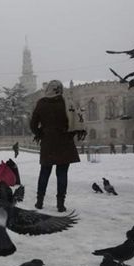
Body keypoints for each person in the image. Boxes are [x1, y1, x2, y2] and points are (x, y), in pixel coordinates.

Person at [30, 80, 80, 212]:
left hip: (48, 141)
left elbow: (33, 125)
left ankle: (39, 202)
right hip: (64, 140)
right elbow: (75, 119)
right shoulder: (66, 102)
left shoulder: (41, 103)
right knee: (62, 173)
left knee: (45, 172)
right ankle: (60, 204)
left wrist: (41, 133)